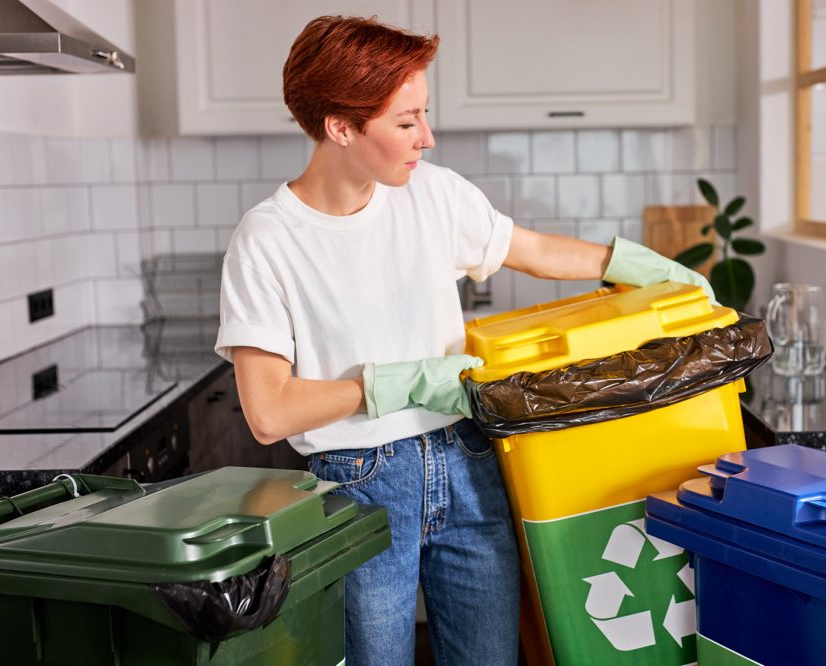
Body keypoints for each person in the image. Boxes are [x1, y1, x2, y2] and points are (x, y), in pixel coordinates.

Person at [215, 15, 714, 666]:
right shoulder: (268, 240)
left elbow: (531, 250)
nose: (427, 136)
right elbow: (268, 410)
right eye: (406, 121)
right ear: (341, 127)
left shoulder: (433, 195)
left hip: (468, 459)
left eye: (425, 113)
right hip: (359, 484)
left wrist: (628, 263)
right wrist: (391, 382)